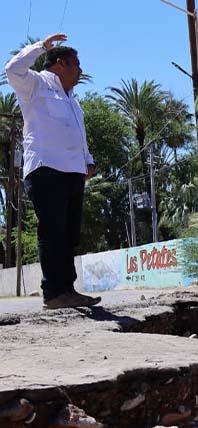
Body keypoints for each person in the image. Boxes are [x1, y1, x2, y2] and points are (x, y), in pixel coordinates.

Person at [4, 33, 100, 309]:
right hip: (46, 169)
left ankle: (67, 290)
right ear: (59, 64)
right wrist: (41, 47)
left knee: (69, 234)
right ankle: (53, 292)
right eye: (76, 64)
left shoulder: (73, 100)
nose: (80, 70)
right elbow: (12, 69)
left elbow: (78, 133)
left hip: (73, 172)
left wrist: (88, 160)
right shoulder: (35, 84)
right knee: (52, 230)